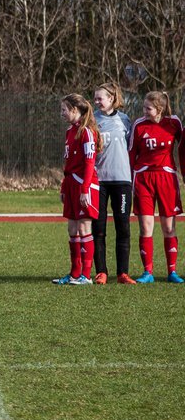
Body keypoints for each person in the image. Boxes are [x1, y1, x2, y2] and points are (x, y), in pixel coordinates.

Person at [129, 90, 183, 283]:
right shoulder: (139, 125)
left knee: (169, 227)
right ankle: (148, 272)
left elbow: (182, 148)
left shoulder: (174, 123)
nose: (144, 110)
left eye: (148, 108)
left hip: (167, 178)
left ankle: (172, 271)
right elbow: (131, 153)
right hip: (143, 178)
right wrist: (130, 179)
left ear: (159, 109)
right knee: (146, 226)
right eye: (143, 107)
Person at [54, 94, 101, 285]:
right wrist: (64, 187)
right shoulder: (69, 132)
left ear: (75, 109)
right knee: (72, 228)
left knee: (84, 227)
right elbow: (68, 164)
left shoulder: (87, 132)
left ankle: (86, 275)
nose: (62, 113)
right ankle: (74, 274)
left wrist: (84, 189)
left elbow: (90, 162)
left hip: (85, 185)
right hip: (71, 184)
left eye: (64, 109)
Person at [92, 82, 134, 284]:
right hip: (99, 181)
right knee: (98, 228)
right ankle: (101, 272)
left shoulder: (125, 121)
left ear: (111, 98)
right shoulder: (91, 120)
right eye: (95, 98)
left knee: (123, 227)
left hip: (122, 181)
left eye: (100, 98)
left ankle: (123, 273)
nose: (96, 101)